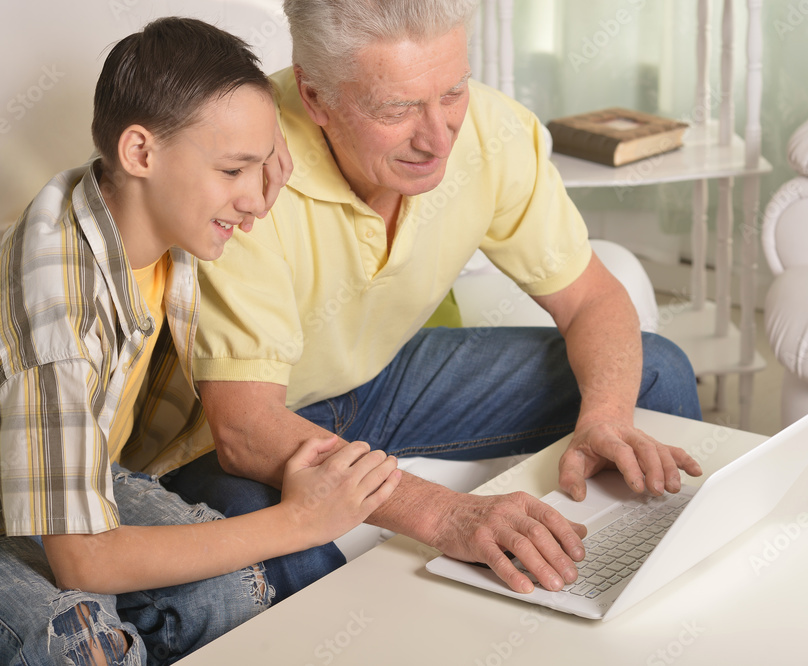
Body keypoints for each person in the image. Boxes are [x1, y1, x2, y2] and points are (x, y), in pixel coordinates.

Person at [0, 17, 400, 665]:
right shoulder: (57, 317)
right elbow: (83, 558)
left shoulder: (143, 204)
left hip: (85, 472)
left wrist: (250, 155)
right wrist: (301, 520)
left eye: (260, 165)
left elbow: (222, 145)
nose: (254, 199)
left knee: (233, 591)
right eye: (233, 170)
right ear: (139, 153)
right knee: (80, 643)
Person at [163, 0, 703, 598]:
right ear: (315, 98)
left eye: (452, 93)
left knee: (656, 370)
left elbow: (592, 298)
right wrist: (447, 516)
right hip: (241, 425)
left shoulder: (493, 132)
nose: (438, 136)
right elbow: (243, 428)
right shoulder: (244, 166)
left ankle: (654, 588)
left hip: (380, 383)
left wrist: (604, 419)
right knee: (263, 555)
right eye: (397, 109)